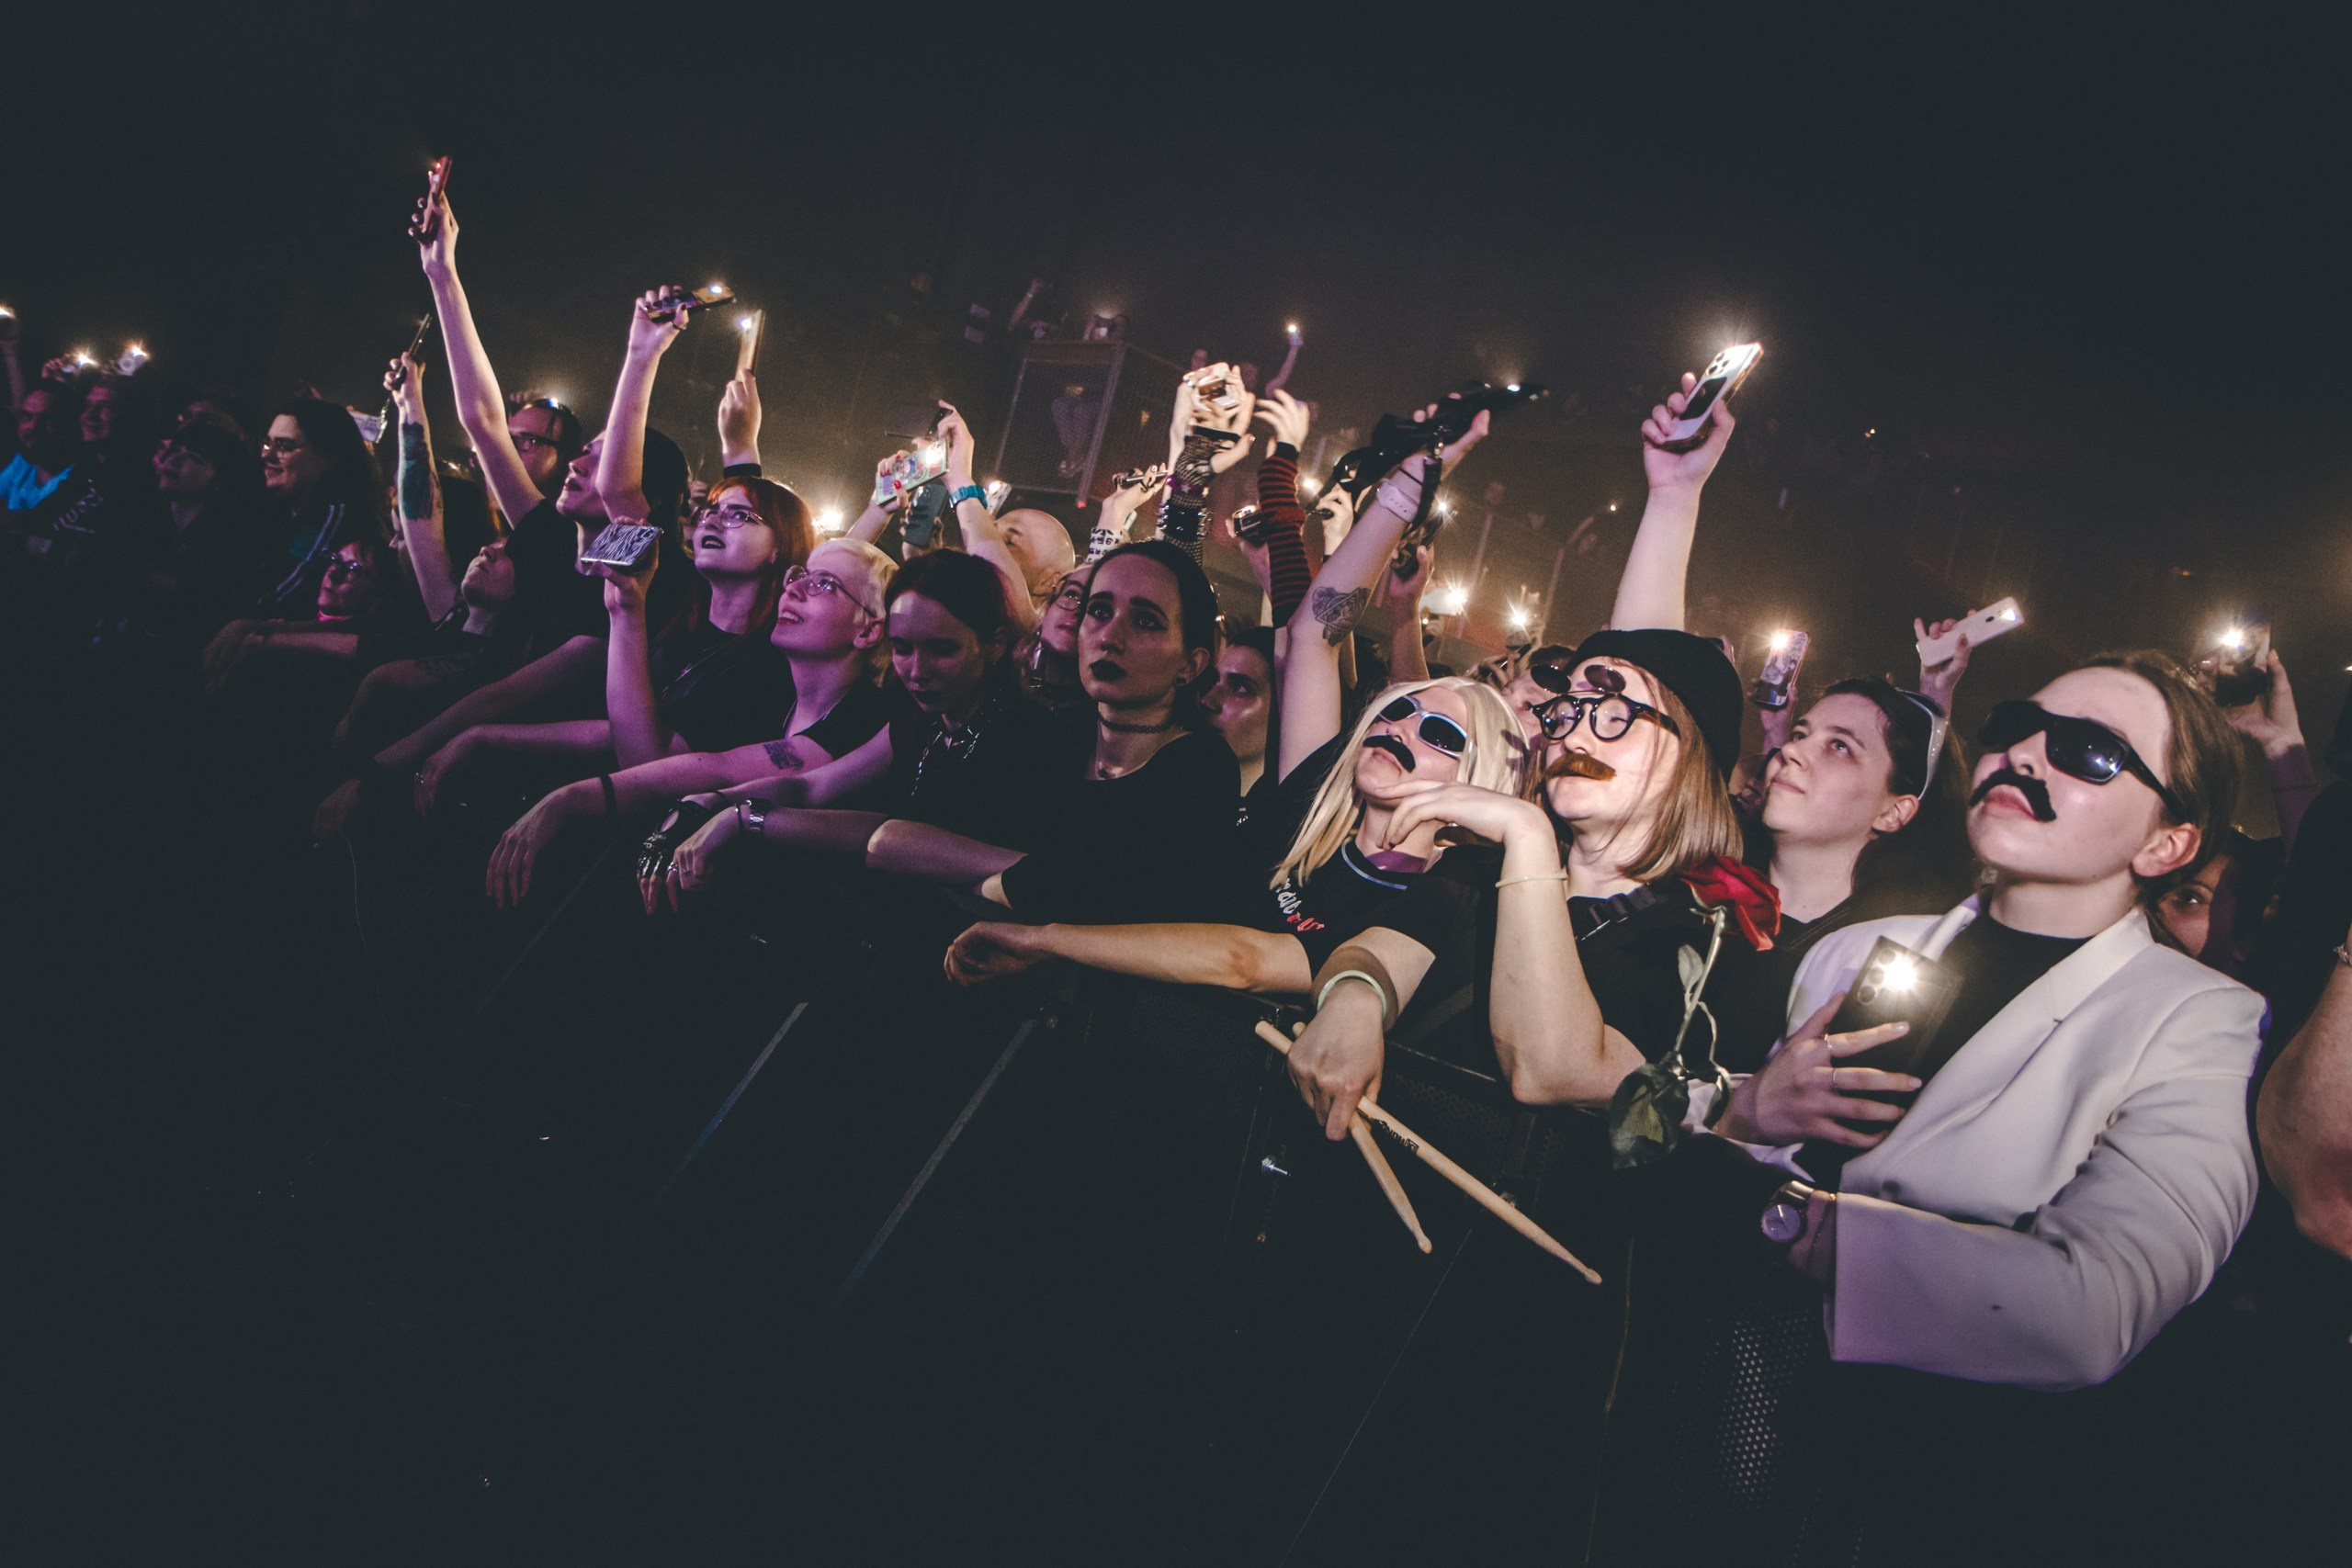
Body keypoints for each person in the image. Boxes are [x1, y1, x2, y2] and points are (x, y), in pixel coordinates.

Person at [1600, 649, 2262, 1562]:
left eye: (2089, 753)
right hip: (1707, 1421)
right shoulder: (1858, 950)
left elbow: (2090, 1311)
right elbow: (1700, 1132)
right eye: (2012, 730)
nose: (2023, 757)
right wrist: (1746, 1113)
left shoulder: (2201, 1022)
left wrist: (1785, 1224)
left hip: (1920, 1489)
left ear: (2166, 843)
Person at [654, 542, 1235, 928]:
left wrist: (746, 819)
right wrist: (712, 803)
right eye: (1099, 612)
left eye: (1146, 622)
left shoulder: (1046, 738)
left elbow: (916, 848)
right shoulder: (1048, 730)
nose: (1108, 637)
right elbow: (815, 787)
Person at [455, 536, 894, 888]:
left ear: (869, 628)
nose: (793, 588)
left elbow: (719, 768)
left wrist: (571, 798)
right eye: (800, 576)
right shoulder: (772, 694)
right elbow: (632, 737)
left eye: (824, 584)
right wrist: (487, 734)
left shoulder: (867, 713)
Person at [250, 395, 386, 617]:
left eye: (284, 445)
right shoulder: (280, 508)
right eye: (267, 443)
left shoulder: (330, 516)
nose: (267, 455)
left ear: (328, 457)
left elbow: (279, 589)